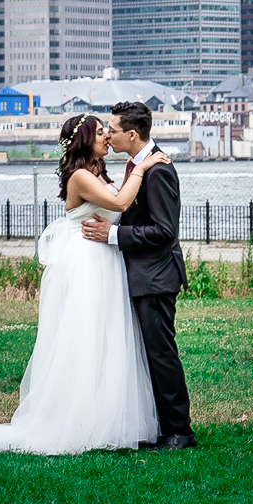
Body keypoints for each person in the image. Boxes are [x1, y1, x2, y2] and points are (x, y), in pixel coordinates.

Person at [0, 113, 168, 455]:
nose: (107, 137)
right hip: (86, 264)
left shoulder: (97, 172)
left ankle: (107, 418)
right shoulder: (80, 176)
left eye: (107, 132)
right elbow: (120, 203)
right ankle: (79, 419)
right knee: (86, 337)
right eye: (100, 133)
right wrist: (142, 165)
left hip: (104, 259)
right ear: (84, 140)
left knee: (108, 336)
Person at [80, 101, 196, 450]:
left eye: (112, 131)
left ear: (132, 134)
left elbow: (163, 231)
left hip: (156, 276)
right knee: (149, 354)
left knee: (161, 353)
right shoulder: (139, 166)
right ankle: (162, 427)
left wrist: (112, 235)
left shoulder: (158, 170)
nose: (108, 135)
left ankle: (180, 432)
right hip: (142, 275)